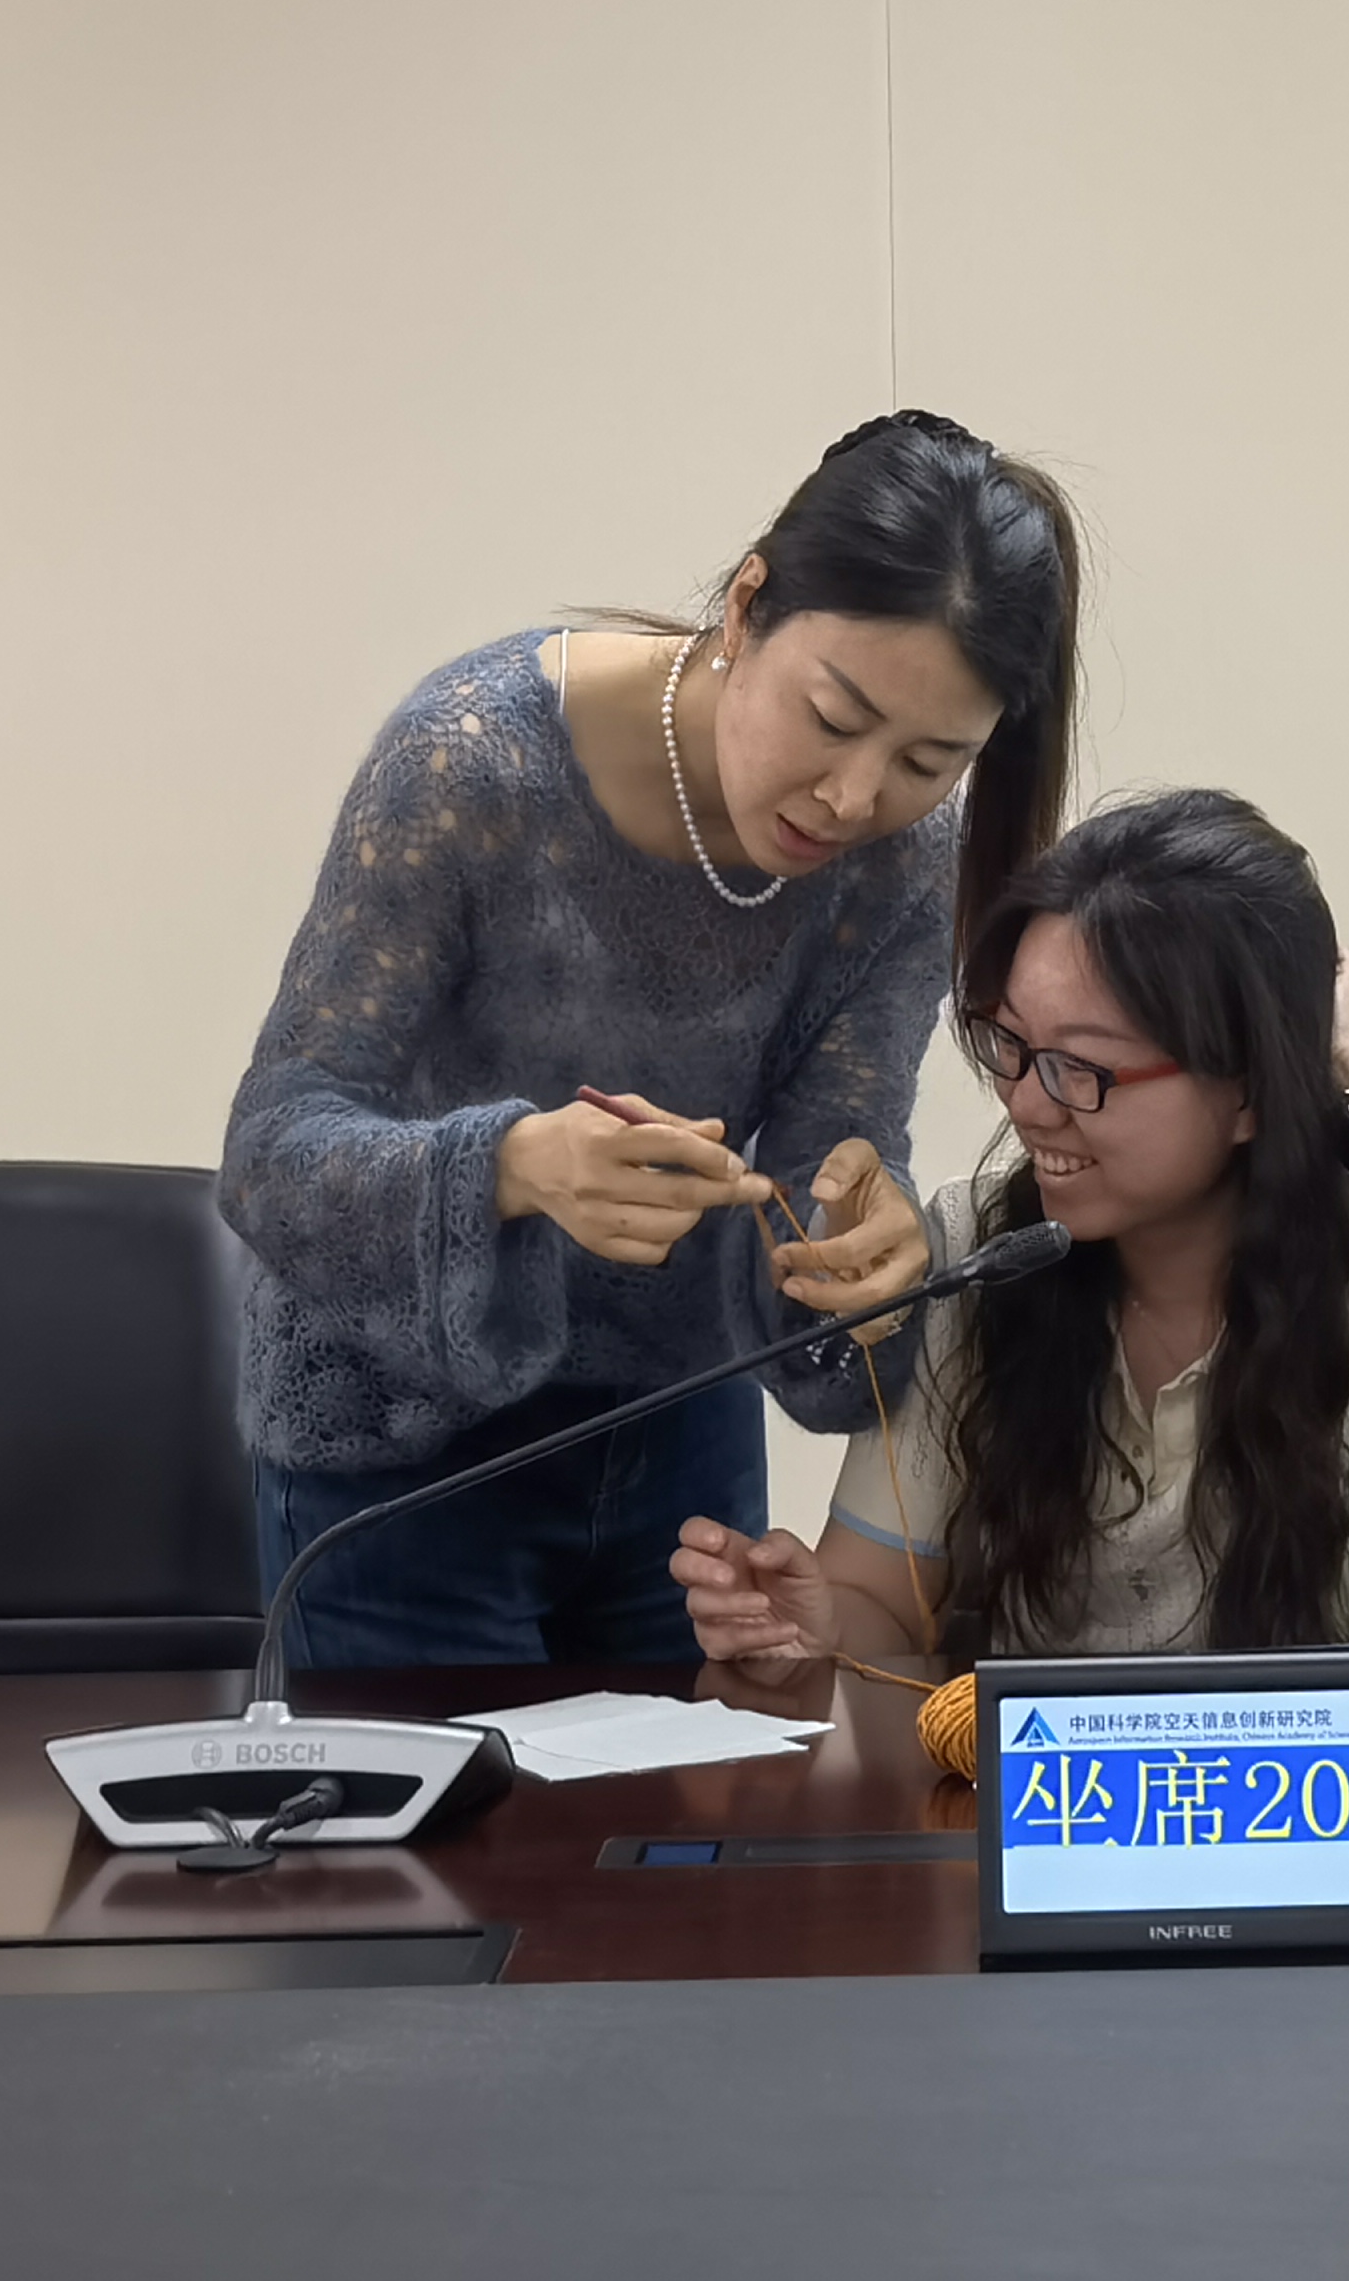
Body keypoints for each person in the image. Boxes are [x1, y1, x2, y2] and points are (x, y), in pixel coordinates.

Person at [222, 411, 1084, 1666]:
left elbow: (829, 1152)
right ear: (745, 606)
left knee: (698, 1796)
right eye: (832, 716)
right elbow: (271, 1151)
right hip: (395, 1450)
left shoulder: (905, 859)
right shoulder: (472, 765)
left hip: (675, 1443)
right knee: (439, 1809)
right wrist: (514, 1167)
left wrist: (866, 1239)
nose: (854, 797)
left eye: (929, 760)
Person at [672, 789, 1349, 1665]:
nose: (1027, 1103)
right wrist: (811, 1627)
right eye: (1009, 1043)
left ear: (1249, 1090)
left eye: (1083, 1068)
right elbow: (883, 1603)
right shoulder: (978, 1251)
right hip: (1073, 1807)